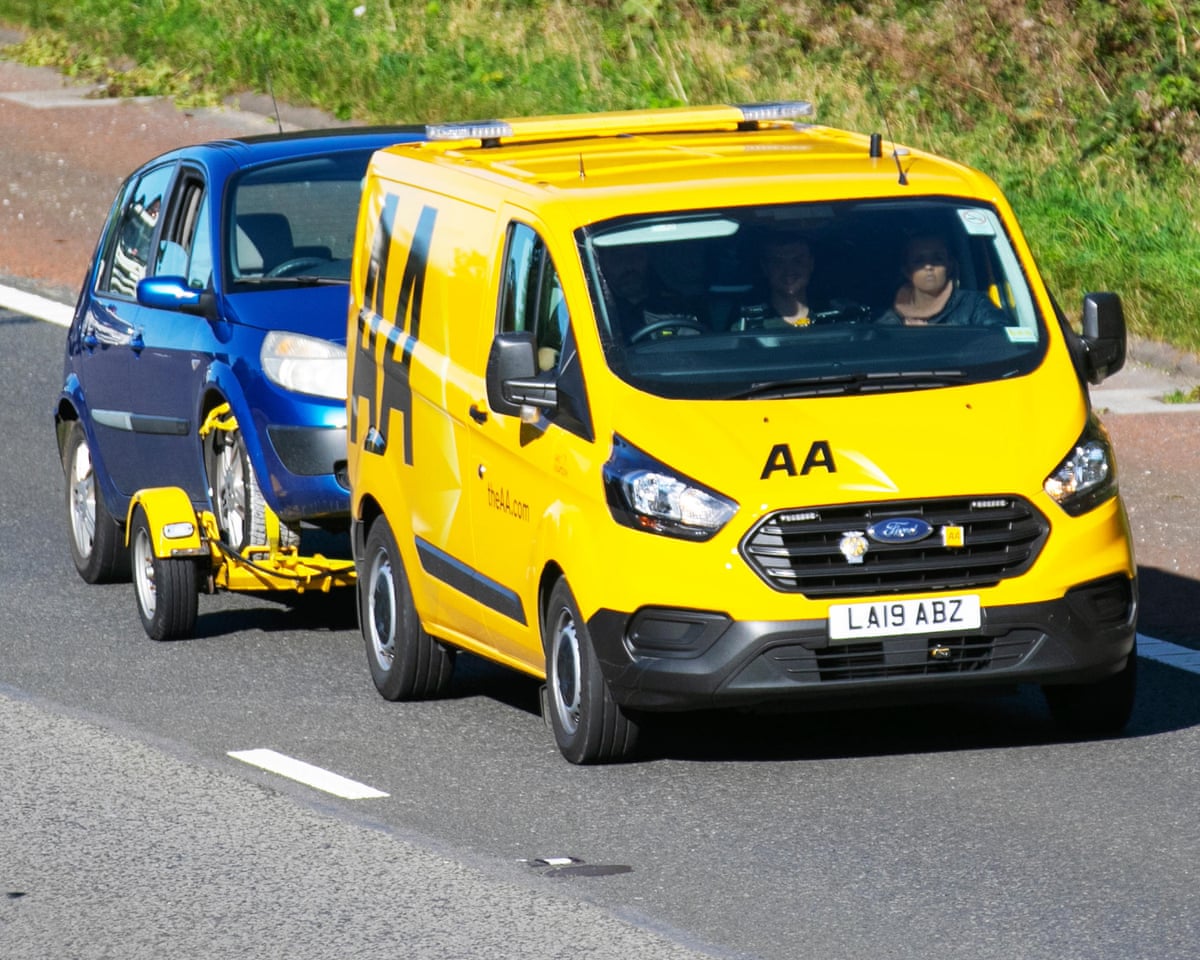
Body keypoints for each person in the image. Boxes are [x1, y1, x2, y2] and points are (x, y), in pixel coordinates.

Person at [877, 233, 1007, 326]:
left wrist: (939, 334)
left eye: (937, 259)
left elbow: (1002, 337)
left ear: (949, 266)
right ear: (906, 271)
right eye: (919, 261)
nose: (929, 266)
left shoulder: (974, 305)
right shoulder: (891, 319)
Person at [597, 242, 705, 342]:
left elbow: (694, 348)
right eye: (618, 258)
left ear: (647, 259)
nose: (629, 266)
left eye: (636, 256)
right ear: (602, 263)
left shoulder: (675, 307)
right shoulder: (594, 312)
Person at [730, 232, 821, 330]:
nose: (789, 270)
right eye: (778, 262)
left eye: (797, 261)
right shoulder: (746, 325)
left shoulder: (835, 315)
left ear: (811, 264)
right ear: (765, 268)